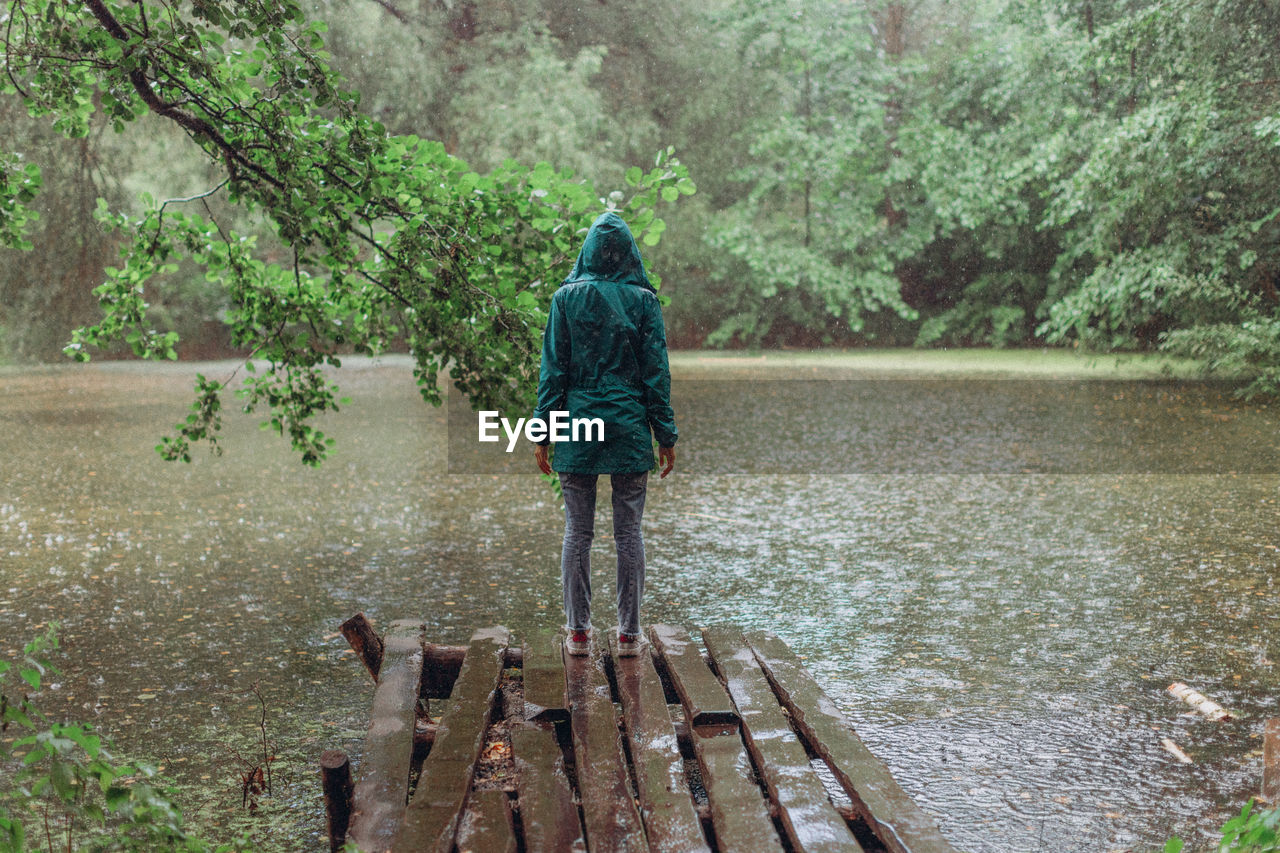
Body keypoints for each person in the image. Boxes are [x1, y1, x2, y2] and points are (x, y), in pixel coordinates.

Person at [532, 211, 677, 658]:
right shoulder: (643, 302)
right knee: (628, 533)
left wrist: (543, 430)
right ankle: (629, 636)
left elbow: (553, 373)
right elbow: (656, 375)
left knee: (578, 531)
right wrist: (665, 434)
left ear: (588, 251)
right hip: (629, 427)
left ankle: (578, 634)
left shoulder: (564, 299)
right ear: (630, 252)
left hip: (577, 425)